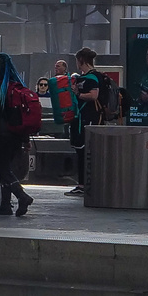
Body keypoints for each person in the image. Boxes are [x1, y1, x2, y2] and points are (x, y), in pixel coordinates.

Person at [0, 52, 36, 217]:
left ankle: (22, 196)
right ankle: (5, 204)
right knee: (7, 169)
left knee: (3, 170)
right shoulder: (18, 87)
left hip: (1, 135)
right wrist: (26, 139)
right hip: (17, 135)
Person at [57, 48, 108, 197]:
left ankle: (83, 184)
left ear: (81, 60)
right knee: (84, 152)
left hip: (89, 119)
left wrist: (78, 93)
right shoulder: (90, 76)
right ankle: (86, 183)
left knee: (84, 152)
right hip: (88, 119)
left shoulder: (91, 78)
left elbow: (93, 95)